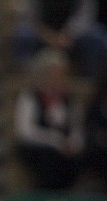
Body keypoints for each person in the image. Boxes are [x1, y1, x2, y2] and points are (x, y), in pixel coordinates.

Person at [13, 48, 85, 190]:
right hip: (38, 147)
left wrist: (73, 143)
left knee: (77, 159)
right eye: (53, 73)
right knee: (49, 158)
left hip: (64, 148)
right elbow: (25, 132)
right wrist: (54, 141)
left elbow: (76, 128)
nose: (57, 78)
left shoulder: (68, 100)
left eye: (61, 74)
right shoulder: (30, 97)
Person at [11, 0, 107, 81]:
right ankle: (25, 80)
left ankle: (88, 82)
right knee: (24, 35)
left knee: (96, 37)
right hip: (42, 35)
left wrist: (68, 34)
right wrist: (49, 36)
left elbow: (85, 17)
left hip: (71, 37)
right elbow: (30, 18)